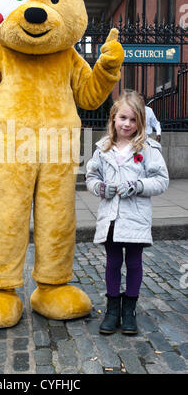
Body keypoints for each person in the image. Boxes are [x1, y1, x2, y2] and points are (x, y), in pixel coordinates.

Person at [86, 90, 169, 335]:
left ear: (140, 122)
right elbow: (91, 177)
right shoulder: (103, 148)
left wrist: (138, 186)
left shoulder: (149, 148)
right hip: (111, 217)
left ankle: (129, 309)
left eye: (133, 120)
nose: (127, 124)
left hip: (135, 217)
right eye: (123, 118)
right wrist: (100, 187)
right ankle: (112, 309)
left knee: (133, 263)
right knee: (113, 263)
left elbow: (161, 180)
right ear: (113, 118)